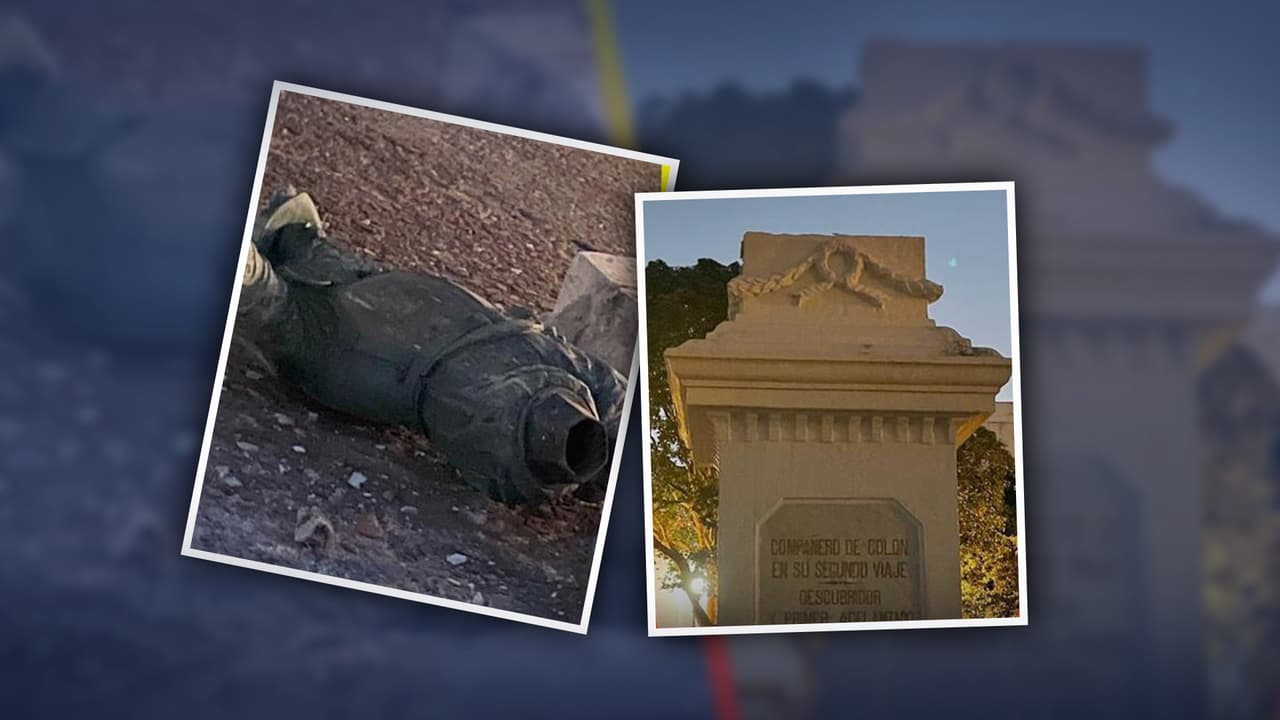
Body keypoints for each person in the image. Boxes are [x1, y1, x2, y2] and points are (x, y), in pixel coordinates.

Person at [237, 188, 625, 506]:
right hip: (407, 337)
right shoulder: (550, 388)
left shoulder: (507, 432)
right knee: (294, 299)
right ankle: (281, 247)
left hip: (389, 354)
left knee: (285, 307)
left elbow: (614, 402)